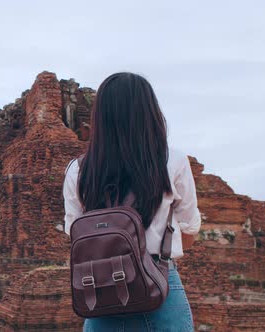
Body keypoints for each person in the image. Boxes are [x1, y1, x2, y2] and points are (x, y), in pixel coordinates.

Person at [63, 72, 202, 332]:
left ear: (100, 117)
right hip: (161, 285)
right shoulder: (172, 161)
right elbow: (191, 230)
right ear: (149, 111)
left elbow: (75, 234)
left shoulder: (77, 170)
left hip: (100, 290)